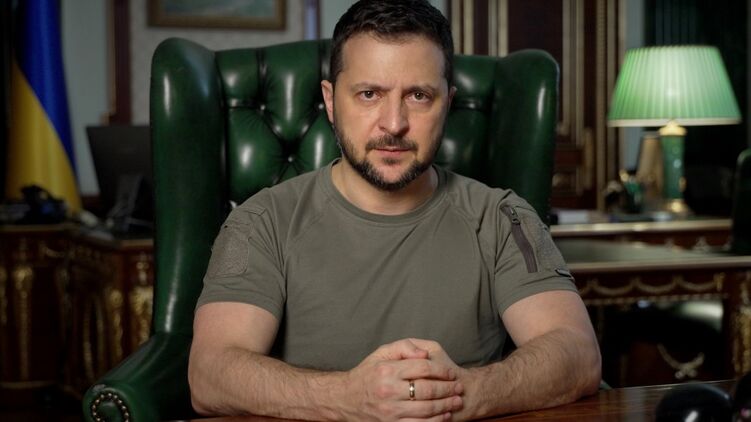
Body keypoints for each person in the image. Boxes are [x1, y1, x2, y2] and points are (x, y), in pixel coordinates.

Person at [188, 0, 601, 420]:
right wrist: (347, 397)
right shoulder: (260, 222)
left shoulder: (504, 218)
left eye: (419, 96)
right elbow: (209, 374)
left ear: (448, 103)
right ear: (330, 100)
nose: (394, 124)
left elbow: (578, 353)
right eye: (369, 94)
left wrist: (463, 394)